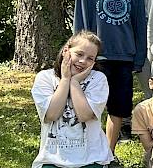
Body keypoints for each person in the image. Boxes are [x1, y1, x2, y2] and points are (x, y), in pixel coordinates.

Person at [74, 0, 147, 155]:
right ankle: (86, 151)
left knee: (118, 109)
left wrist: (139, 56)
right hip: (96, 58)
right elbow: (81, 20)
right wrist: (79, 54)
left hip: (124, 56)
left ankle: (108, 153)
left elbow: (139, 23)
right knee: (89, 107)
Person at [32, 31, 112, 168]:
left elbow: (84, 115)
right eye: (79, 54)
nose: (83, 61)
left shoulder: (98, 79)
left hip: (92, 158)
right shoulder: (45, 77)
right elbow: (52, 114)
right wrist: (65, 79)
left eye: (90, 58)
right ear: (66, 51)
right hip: (52, 159)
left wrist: (74, 83)